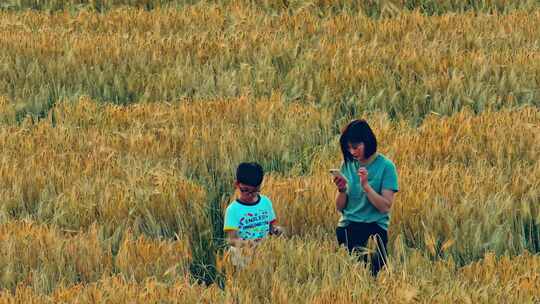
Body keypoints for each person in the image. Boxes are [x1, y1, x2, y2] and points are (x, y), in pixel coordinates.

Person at [332, 119, 399, 276]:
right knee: (348, 280)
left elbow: (385, 206)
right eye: (348, 148)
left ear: (367, 142)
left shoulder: (386, 167)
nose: (352, 152)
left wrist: (366, 187)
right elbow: (340, 207)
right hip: (347, 228)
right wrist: (341, 189)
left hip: (374, 231)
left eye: (355, 147)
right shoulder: (347, 165)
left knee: (375, 279)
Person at [223, 162, 282, 266]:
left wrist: (276, 230)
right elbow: (232, 240)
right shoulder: (232, 210)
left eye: (255, 191)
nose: (249, 195)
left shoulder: (265, 202)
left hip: (264, 255)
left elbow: (271, 226)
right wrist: (249, 243)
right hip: (242, 259)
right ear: (237, 184)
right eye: (245, 190)